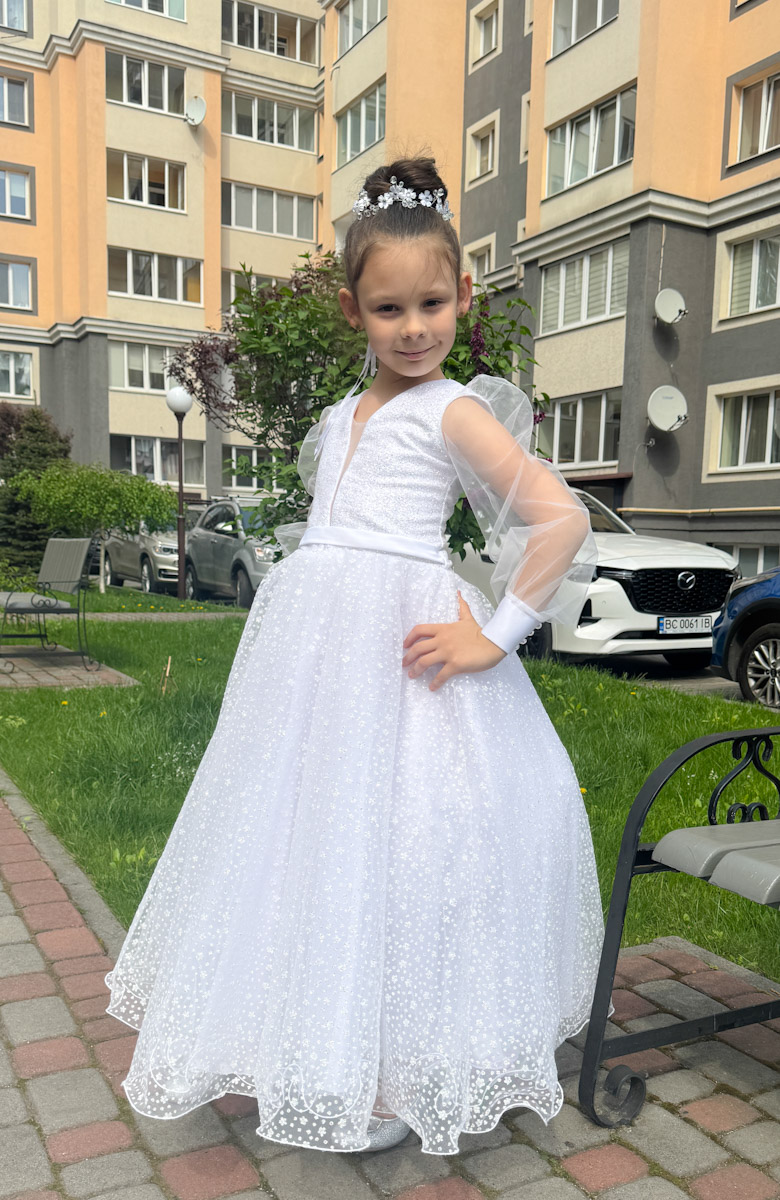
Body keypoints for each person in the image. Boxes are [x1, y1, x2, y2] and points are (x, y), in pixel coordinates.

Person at [104, 157, 605, 1158]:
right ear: (353, 310)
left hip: (405, 659)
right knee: (309, 841)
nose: (414, 328)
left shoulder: (453, 409)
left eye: (432, 305)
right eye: (389, 309)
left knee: (408, 849)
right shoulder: (341, 415)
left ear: (463, 296)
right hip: (319, 665)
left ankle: (397, 1064)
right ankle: (309, 1037)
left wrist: (495, 634)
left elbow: (559, 519)